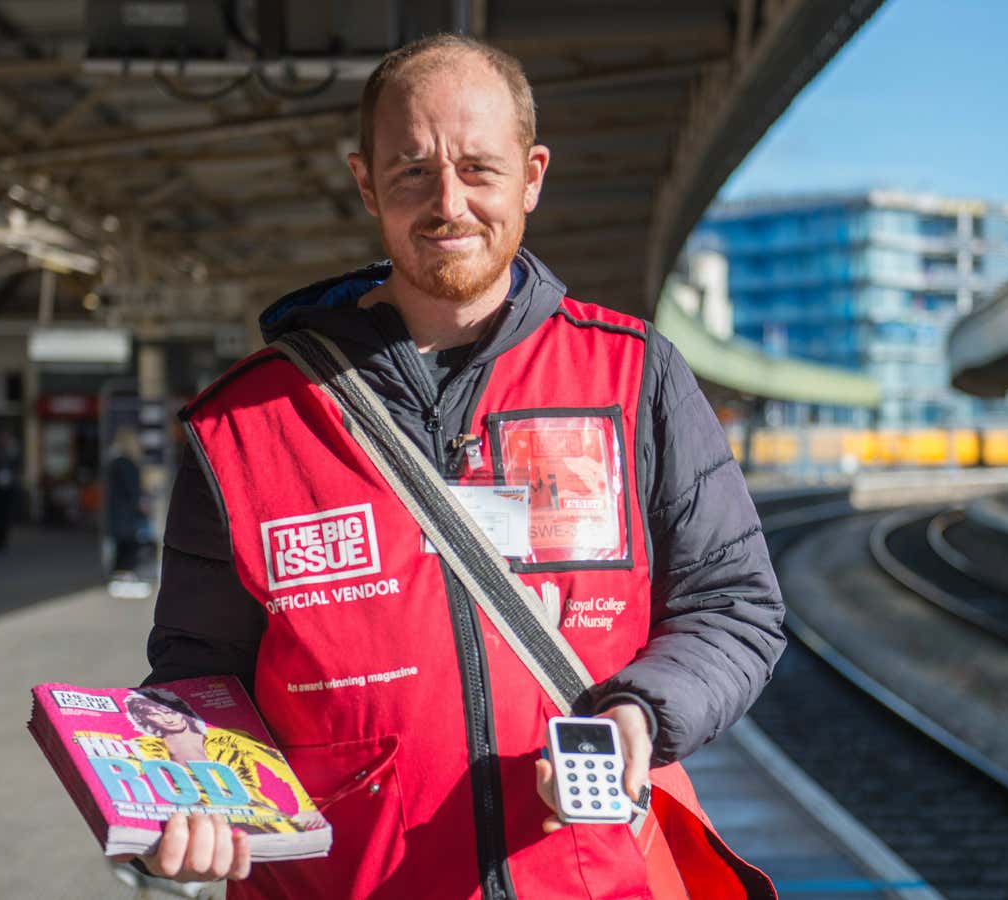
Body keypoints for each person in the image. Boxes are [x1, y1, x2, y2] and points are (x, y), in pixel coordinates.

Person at [139, 34, 785, 899]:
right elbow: (199, 670)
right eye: (412, 172)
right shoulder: (245, 423)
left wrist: (640, 713)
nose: (449, 203)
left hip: (596, 882)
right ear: (366, 182)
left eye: (479, 168)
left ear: (533, 175)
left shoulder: (634, 375)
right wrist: (182, 796)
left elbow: (734, 605)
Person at [121, 689, 326, 834]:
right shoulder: (143, 747)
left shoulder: (231, 738)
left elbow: (280, 770)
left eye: (167, 710)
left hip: (263, 820)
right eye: (154, 715)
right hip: (191, 826)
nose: (166, 717)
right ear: (147, 722)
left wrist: (303, 808)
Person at [105, 428, 147, 577]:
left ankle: (118, 575)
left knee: (120, 549)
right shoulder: (127, 463)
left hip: (117, 514)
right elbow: (133, 490)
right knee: (128, 549)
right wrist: (142, 505)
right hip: (127, 515)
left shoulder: (114, 462)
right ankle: (124, 576)